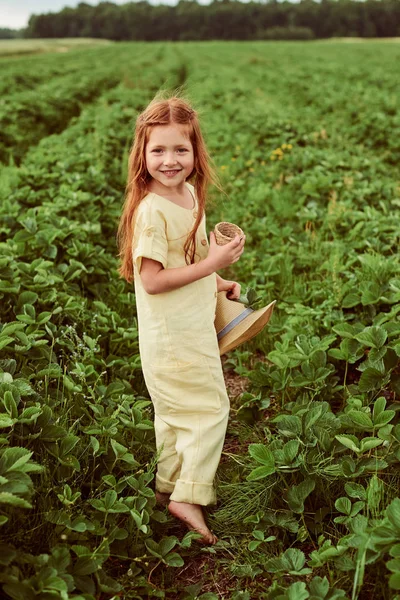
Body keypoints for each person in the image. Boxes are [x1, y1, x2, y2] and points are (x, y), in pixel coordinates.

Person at [117, 94, 245, 544]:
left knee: (174, 414)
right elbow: (151, 280)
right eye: (158, 150)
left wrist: (216, 283)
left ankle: (168, 488)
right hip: (171, 335)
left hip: (188, 325)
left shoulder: (188, 194)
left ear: (195, 153)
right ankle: (188, 495)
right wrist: (213, 264)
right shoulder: (151, 211)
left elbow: (184, 259)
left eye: (180, 150)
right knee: (211, 408)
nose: (170, 160)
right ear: (142, 154)